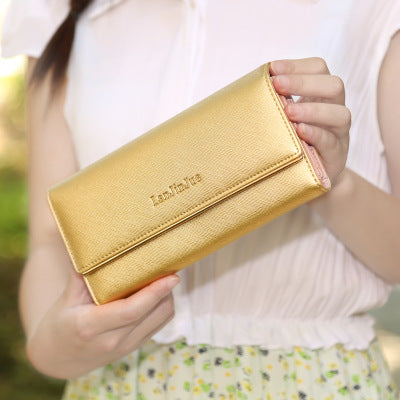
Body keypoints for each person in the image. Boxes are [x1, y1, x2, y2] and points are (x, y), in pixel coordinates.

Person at [1, 0, 400, 398]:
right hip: (116, 383)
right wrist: (55, 346)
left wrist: (330, 179)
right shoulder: (59, 14)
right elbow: (52, 239)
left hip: (311, 382)